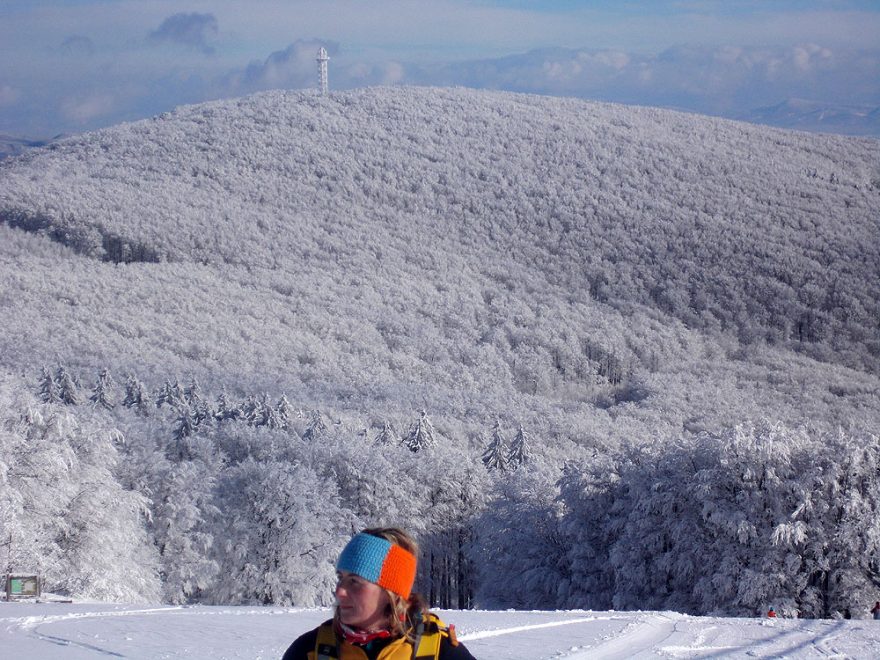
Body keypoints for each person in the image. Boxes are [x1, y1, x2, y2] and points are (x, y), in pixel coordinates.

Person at [282, 527, 476, 660]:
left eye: (355, 582)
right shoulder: (309, 651)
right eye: (341, 577)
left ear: (391, 593)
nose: (340, 591)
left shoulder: (440, 651)